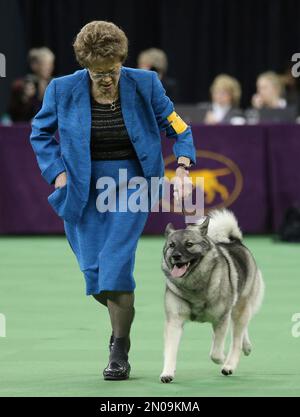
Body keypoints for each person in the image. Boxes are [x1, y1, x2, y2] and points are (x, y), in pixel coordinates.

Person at [29, 21, 196, 381]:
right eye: (98, 72)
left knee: (115, 265)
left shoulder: (145, 83)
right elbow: (40, 133)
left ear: (122, 60)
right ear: (85, 64)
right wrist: (56, 171)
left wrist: (182, 165)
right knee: (94, 275)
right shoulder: (62, 89)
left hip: (132, 182)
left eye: (113, 70)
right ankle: (125, 309)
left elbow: (179, 127)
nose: (106, 79)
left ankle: (119, 350)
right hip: (81, 186)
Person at [8, 47, 55, 122]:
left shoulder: (54, 85)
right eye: (44, 64)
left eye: (50, 64)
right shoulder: (20, 86)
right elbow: (13, 114)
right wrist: (25, 99)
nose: (49, 68)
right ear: (34, 65)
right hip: (24, 128)